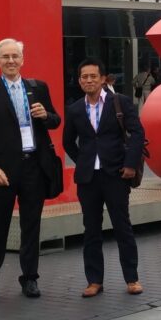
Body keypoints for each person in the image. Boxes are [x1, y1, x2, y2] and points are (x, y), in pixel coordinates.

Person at [0, 38, 61, 303]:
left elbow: (55, 121)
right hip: (2, 173)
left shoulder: (37, 88)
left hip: (34, 167)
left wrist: (46, 116)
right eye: (5, 57)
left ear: (22, 59)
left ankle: (30, 278)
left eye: (15, 56)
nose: (10, 61)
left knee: (31, 226)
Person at [63, 57, 145, 297]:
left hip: (116, 175)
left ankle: (132, 278)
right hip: (88, 179)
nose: (89, 80)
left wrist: (130, 164)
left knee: (122, 227)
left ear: (102, 79)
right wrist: (84, 161)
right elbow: (68, 141)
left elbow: (138, 133)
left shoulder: (120, 102)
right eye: (84, 77)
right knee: (91, 230)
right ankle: (94, 281)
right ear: (79, 82)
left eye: (93, 76)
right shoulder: (76, 109)